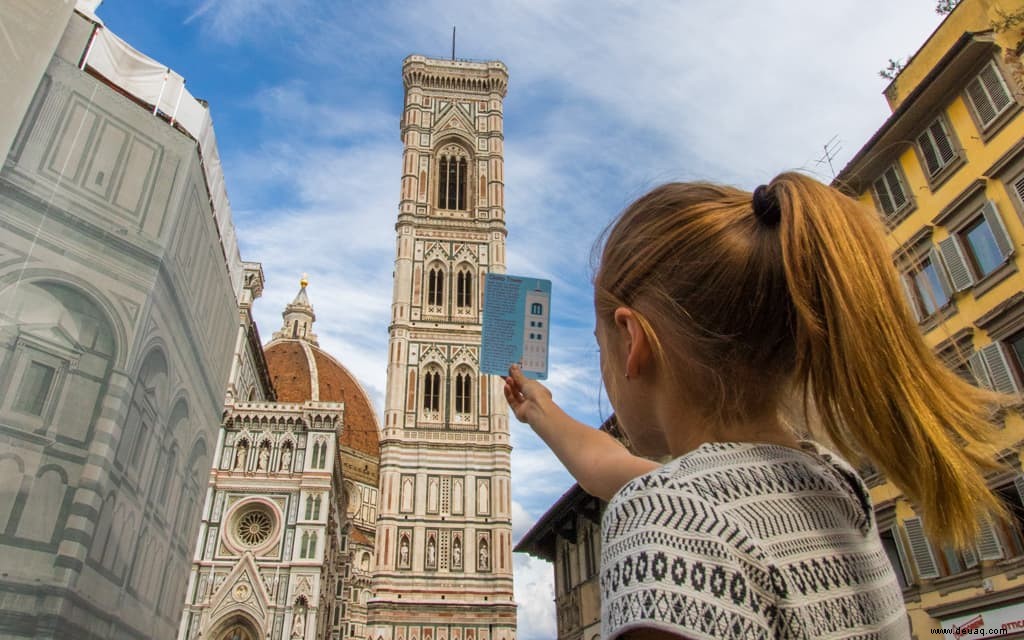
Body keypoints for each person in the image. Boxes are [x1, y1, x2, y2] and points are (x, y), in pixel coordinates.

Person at [504, 173, 1010, 639]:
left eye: (599, 348)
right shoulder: (831, 481)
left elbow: (645, 490)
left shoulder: (668, 523)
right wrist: (540, 410)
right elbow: (609, 467)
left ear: (632, 338)